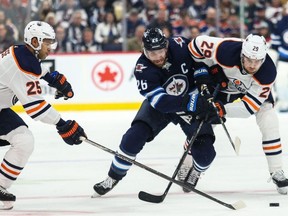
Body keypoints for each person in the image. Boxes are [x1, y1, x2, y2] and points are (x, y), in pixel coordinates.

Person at [92, 28, 220, 196]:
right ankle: (113, 177)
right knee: (133, 137)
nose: (158, 57)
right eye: (152, 53)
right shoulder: (142, 69)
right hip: (163, 107)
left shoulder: (181, 45)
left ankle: (195, 170)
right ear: (144, 51)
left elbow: (199, 63)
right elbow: (161, 102)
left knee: (206, 154)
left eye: (160, 51)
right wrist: (194, 102)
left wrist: (203, 82)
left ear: (166, 46)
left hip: (189, 101)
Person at [178, 33, 288, 195]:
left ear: (263, 58)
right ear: (242, 54)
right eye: (249, 59)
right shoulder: (226, 50)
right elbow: (195, 45)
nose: (252, 65)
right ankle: (186, 164)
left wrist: (222, 110)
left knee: (269, 120)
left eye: (257, 61)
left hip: (248, 91)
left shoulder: (267, 72)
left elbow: (248, 107)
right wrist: (205, 72)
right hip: (219, 87)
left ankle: (276, 171)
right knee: (202, 125)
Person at [0, 21, 87, 210]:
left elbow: (37, 70)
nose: (51, 47)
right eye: (47, 43)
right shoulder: (22, 65)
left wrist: (53, 79)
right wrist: (62, 124)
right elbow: (35, 107)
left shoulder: (22, 53)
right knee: (23, 140)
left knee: (23, 141)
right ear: (35, 41)